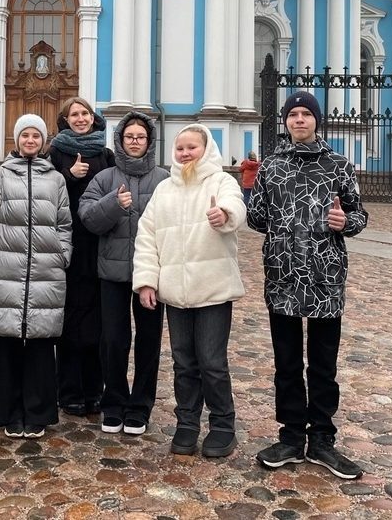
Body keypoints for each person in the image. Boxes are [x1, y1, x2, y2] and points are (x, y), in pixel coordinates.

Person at [247, 91, 368, 480]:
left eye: (306, 114)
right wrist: (256, 199)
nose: (299, 119)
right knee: (286, 363)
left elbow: (359, 214)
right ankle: (291, 436)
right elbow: (256, 219)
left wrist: (345, 223)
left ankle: (322, 439)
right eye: (293, 114)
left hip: (324, 279)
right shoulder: (272, 166)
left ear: (316, 120)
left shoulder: (339, 165)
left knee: (323, 364)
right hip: (282, 277)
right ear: (285, 121)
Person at [132, 124, 246, 458]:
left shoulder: (221, 181)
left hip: (212, 289)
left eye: (191, 147)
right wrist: (147, 280)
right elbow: (147, 236)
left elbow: (236, 206)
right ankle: (187, 423)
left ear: (205, 149)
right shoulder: (165, 189)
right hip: (176, 293)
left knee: (211, 362)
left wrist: (223, 214)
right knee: (183, 362)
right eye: (180, 148)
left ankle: (223, 426)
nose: (184, 153)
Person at [0, 114, 72, 439]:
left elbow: (64, 222)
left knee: (40, 346)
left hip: (46, 270)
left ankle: (37, 412)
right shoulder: (1, 173)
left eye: (36, 136)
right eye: (25, 135)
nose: (30, 140)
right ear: (16, 140)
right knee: (6, 344)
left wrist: (62, 255)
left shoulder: (55, 179)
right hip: (8, 268)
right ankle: (7, 412)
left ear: (43, 142)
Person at [78, 111, 169, 436]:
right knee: (113, 341)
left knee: (148, 342)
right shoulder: (105, 178)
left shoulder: (163, 180)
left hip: (150, 276)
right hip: (112, 273)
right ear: (120, 140)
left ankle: (140, 406)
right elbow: (88, 217)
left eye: (140, 137)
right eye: (129, 136)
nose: (134, 141)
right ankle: (113, 403)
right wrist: (113, 205)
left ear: (149, 141)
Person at [49, 97, 115, 417]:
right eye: (74, 114)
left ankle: (94, 390)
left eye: (85, 113)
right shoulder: (56, 152)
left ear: (93, 118)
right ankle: (69, 391)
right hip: (69, 245)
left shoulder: (105, 154)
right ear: (65, 120)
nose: (80, 118)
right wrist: (69, 174)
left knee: (98, 322)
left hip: (99, 245)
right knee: (70, 320)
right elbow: (46, 193)